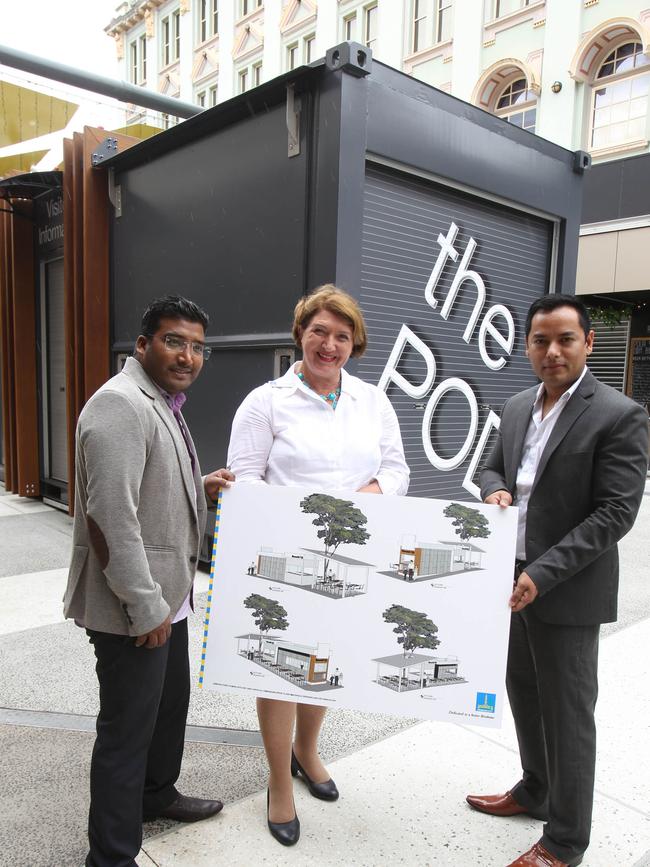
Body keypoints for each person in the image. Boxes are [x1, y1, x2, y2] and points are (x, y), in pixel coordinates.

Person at [466, 294, 648, 867]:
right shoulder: (519, 405)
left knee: (568, 716)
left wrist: (541, 574)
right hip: (510, 581)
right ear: (527, 347)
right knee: (524, 693)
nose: (552, 351)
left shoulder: (618, 414)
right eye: (541, 340)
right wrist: (493, 488)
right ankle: (534, 790)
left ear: (588, 343)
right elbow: (492, 465)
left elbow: (615, 513)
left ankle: (566, 841)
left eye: (565, 339)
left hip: (566, 590)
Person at [227, 284, 409, 846]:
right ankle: (279, 781)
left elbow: (397, 469)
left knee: (326, 655)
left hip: (352, 552)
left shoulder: (373, 401)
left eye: (341, 335)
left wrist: (371, 496)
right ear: (300, 335)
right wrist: (295, 516)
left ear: (355, 342)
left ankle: (307, 750)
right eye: (318, 332)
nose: (329, 345)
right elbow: (245, 476)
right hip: (283, 557)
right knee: (282, 666)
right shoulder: (266, 401)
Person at [63, 295, 234, 867]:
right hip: (136, 605)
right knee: (125, 732)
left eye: (197, 346)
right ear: (142, 345)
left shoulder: (161, 399)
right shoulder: (119, 405)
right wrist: (145, 607)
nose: (188, 355)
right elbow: (110, 518)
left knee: (168, 709)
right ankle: (110, 856)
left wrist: (198, 485)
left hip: (172, 595)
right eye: (173, 341)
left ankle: (157, 795)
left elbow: (147, 484)